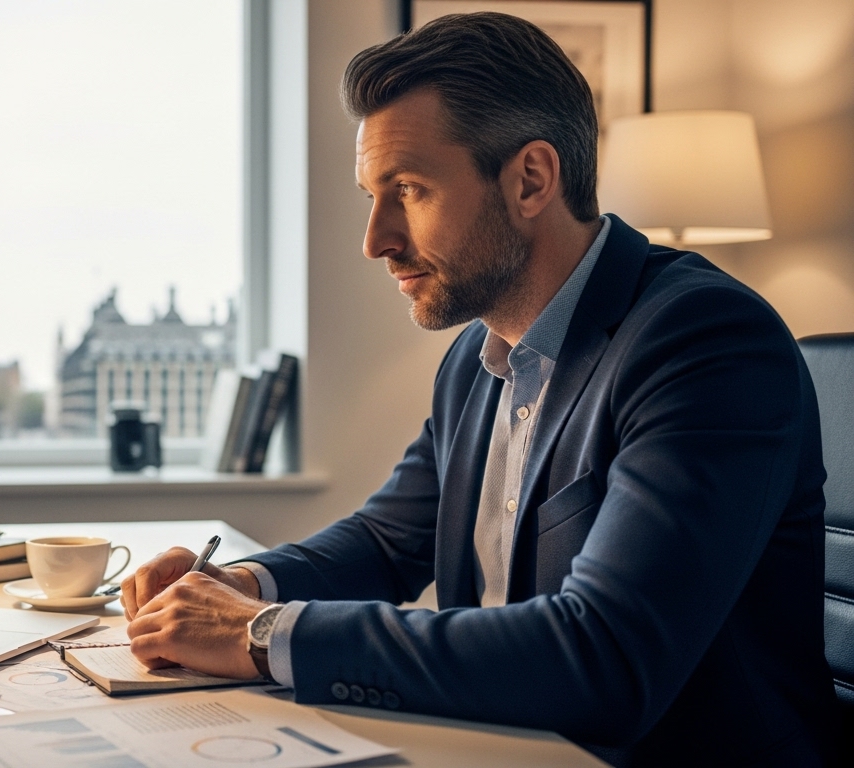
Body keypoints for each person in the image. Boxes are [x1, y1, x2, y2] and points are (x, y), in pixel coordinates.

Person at [119, 12, 836, 766]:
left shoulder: (704, 340)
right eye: (372, 195)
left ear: (531, 178)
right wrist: (236, 586)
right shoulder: (477, 356)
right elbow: (388, 540)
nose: (376, 240)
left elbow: (605, 655)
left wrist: (259, 636)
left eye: (410, 190)